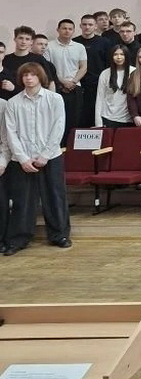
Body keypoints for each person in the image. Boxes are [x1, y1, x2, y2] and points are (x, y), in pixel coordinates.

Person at [3, 63, 70, 255]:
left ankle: (59, 235)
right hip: (22, 159)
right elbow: (10, 133)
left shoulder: (54, 99)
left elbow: (58, 127)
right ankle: (19, 239)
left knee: (54, 197)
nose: (28, 78)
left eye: (32, 75)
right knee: (22, 200)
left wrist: (45, 155)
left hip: (50, 156)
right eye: (25, 75)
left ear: (40, 77)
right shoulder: (13, 103)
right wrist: (23, 158)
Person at [46, 19, 88, 145]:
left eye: (70, 29)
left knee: (75, 119)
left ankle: (71, 148)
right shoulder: (49, 46)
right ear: (58, 30)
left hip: (75, 87)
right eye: (64, 28)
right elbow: (49, 68)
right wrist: (63, 82)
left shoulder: (79, 47)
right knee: (57, 120)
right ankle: (58, 146)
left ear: (74, 31)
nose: (67, 31)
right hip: (57, 88)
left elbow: (83, 67)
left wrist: (73, 82)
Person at [95, 45, 134, 127]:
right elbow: (100, 98)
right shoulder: (105, 73)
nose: (119, 57)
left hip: (129, 119)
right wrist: (98, 122)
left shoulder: (134, 71)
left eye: (122, 54)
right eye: (115, 54)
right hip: (108, 118)